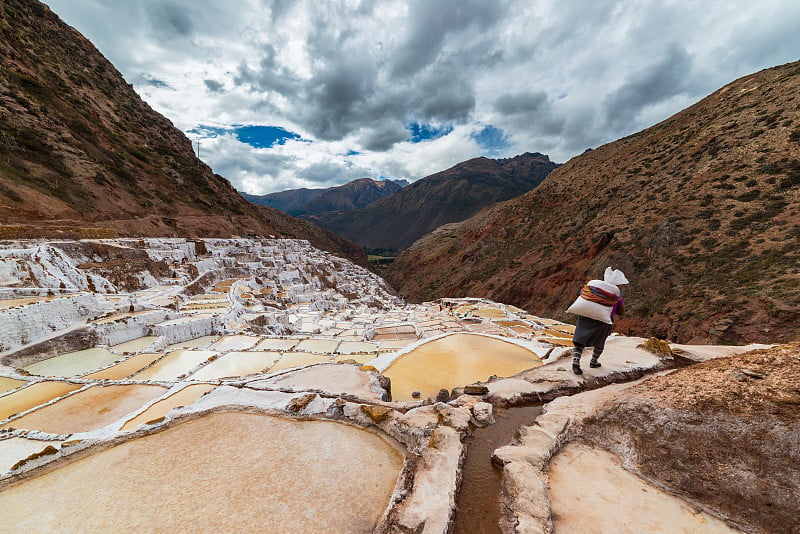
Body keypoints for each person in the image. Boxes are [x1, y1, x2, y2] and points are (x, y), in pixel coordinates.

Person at [566, 267, 628, 375]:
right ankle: (594, 361)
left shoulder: (594, 287)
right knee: (599, 342)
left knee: (579, 340)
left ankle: (575, 363)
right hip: (604, 321)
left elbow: (583, 295)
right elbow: (620, 312)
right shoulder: (617, 294)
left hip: (585, 317)